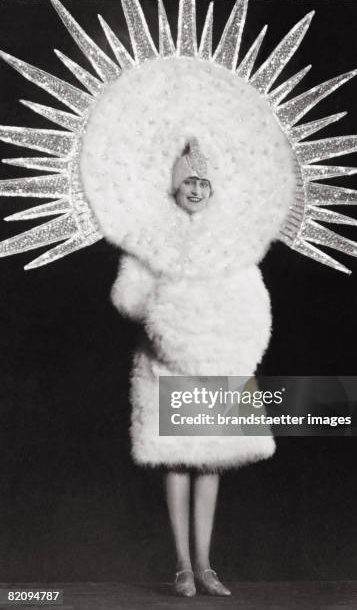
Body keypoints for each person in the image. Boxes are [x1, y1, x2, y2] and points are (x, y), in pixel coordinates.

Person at [110, 138, 275, 597]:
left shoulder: (231, 239)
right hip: (166, 361)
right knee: (178, 460)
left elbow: (249, 299)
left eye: (205, 182)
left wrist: (233, 341)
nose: (197, 190)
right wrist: (171, 298)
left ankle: (206, 565)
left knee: (211, 462)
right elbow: (127, 298)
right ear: (174, 187)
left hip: (217, 359)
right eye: (189, 181)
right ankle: (182, 566)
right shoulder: (152, 236)